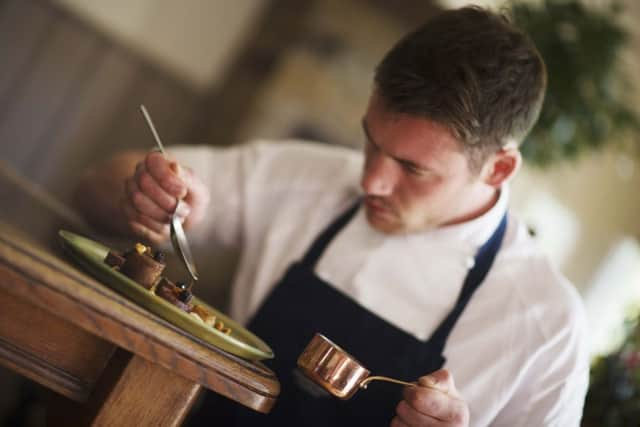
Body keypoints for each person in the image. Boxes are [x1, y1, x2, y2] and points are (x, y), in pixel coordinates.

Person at [74, 5, 589, 427]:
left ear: (499, 168)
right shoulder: (306, 176)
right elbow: (92, 189)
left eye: (412, 168)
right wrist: (143, 194)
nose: (370, 182)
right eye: (371, 142)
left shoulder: (546, 328)